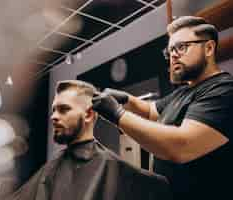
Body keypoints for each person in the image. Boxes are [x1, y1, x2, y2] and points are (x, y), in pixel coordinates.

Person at [92, 16, 233, 200]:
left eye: (181, 47)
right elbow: (151, 110)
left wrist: (117, 114)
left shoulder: (224, 90)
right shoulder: (183, 92)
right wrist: (126, 99)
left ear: (208, 48)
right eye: (170, 50)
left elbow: (182, 146)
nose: (173, 55)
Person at [4, 80, 171, 200]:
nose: (53, 116)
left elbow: (158, 187)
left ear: (89, 114)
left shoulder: (111, 168)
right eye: (54, 110)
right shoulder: (52, 167)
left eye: (64, 109)